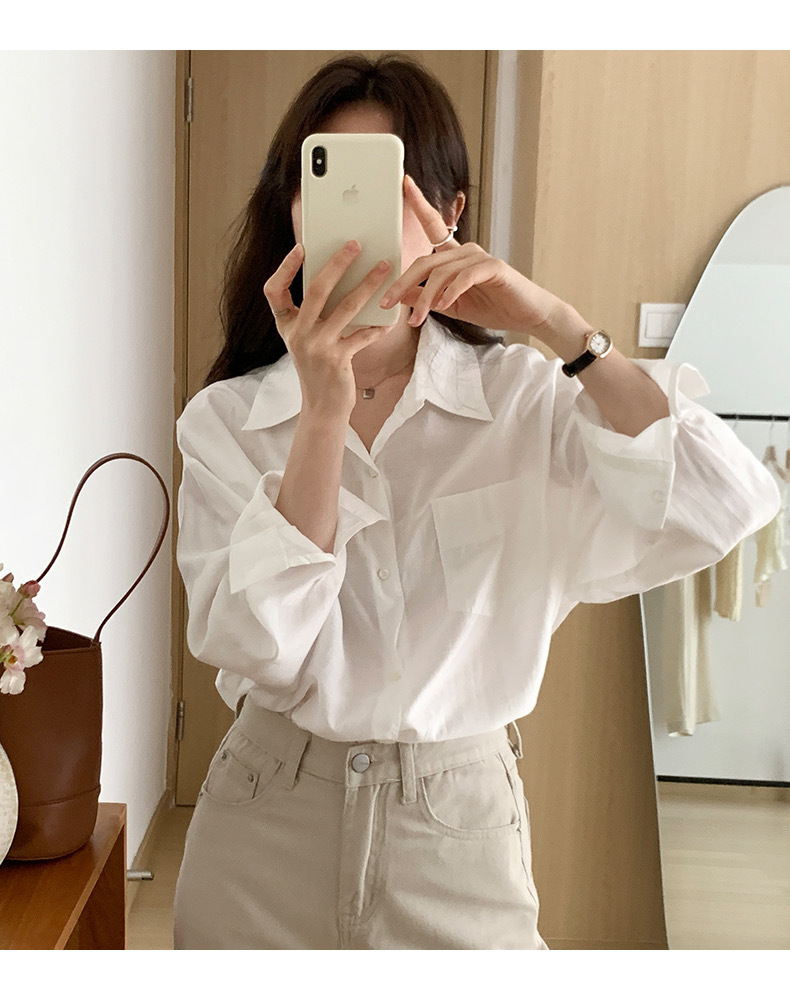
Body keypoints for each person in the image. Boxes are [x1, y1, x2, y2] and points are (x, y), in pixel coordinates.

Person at [171, 54, 779, 950]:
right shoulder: (227, 420)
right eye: (326, 182)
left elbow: (721, 502)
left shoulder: (526, 402)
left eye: (391, 186)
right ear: (290, 210)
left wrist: (559, 326)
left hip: (456, 828)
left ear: (448, 213)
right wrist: (321, 418)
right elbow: (255, 645)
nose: (357, 224)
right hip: (265, 820)